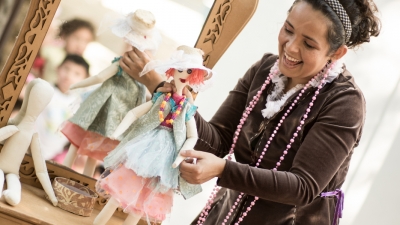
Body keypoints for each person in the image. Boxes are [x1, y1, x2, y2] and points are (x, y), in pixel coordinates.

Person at [119, 0, 381, 224]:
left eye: (309, 44)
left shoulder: (345, 103)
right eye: (288, 29)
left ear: (336, 52)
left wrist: (223, 170)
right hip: (225, 215)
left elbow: (303, 187)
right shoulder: (265, 70)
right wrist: (171, 93)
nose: (290, 47)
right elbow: (218, 141)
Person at [93, 45, 211, 225]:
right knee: (121, 190)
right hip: (147, 144)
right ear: (173, 70)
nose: (184, 74)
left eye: (189, 71)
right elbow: (135, 113)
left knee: (142, 204)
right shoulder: (162, 98)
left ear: (194, 75)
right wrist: (119, 131)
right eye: (180, 69)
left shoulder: (187, 108)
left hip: (166, 155)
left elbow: (192, 136)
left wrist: (181, 156)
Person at [61, 9, 160, 177]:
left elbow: (101, 78)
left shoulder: (143, 78)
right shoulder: (122, 66)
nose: (131, 49)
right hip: (106, 105)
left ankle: (84, 179)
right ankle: (65, 171)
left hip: (120, 114)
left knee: (95, 148)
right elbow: (100, 77)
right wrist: (79, 84)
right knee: (83, 138)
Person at [36, 54, 89, 161]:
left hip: (51, 157)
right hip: (28, 146)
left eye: (77, 74)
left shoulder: (80, 104)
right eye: (66, 69)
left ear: (85, 79)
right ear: (58, 68)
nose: (68, 76)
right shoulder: (44, 88)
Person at [39, 18, 95, 84]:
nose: (81, 45)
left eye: (86, 41)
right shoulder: (48, 51)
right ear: (64, 35)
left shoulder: (83, 66)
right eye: (77, 38)